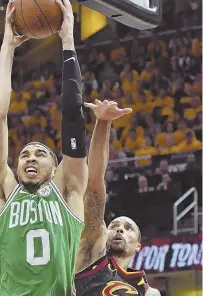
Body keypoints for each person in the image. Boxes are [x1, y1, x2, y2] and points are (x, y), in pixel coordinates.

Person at [0, 0, 132, 295]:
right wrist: (8, 47)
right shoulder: (0, 192)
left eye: (40, 154)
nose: (30, 158)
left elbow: (73, 118)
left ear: (55, 169)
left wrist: (67, 41)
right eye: (24, 154)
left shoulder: (70, 192)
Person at [74, 111, 160, 295]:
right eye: (114, 226)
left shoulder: (148, 291)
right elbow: (94, 184)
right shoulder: (91, 256)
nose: (120, 230)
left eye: (128, 228)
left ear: (138, 245)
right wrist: (103, 123)